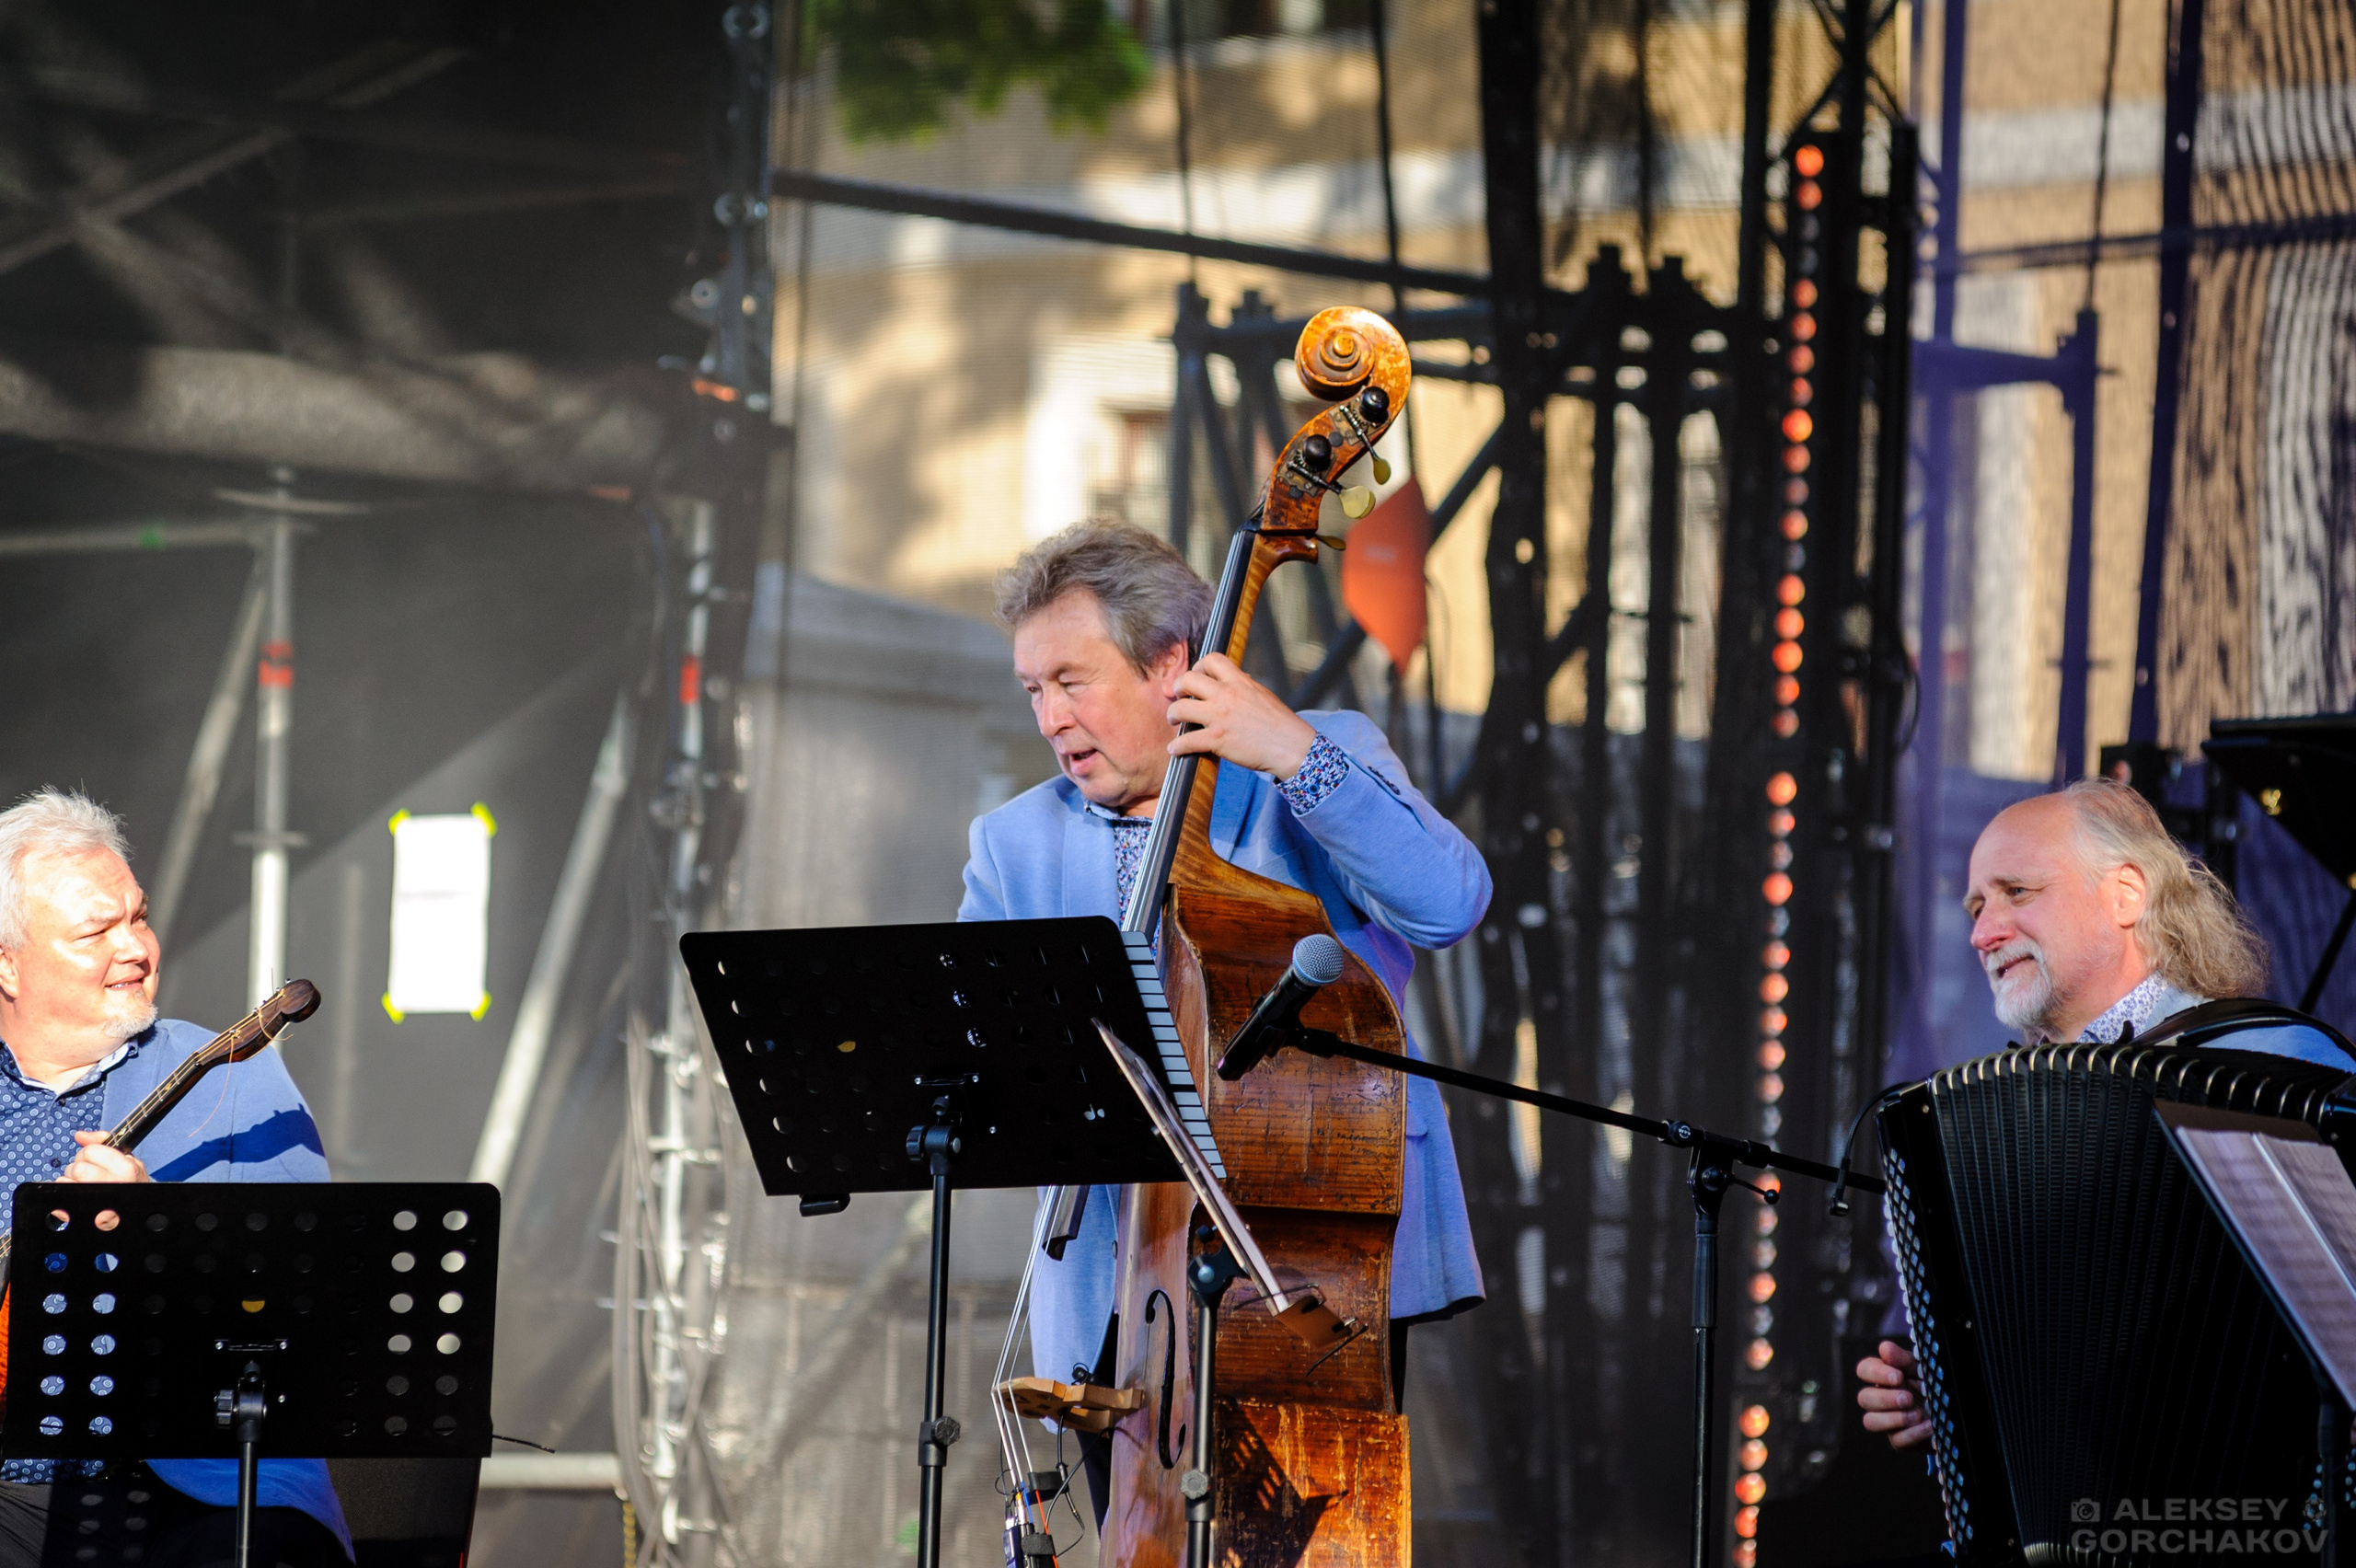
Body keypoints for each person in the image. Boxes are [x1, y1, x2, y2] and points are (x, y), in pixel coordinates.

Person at [958, 520, 1488, 1517]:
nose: (1047, 717)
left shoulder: (1316, 757)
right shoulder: (1012, 845)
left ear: (1171, 667)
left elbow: (1446, 904)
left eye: (1071, 680)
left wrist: (1293, 753)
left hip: (1314, 1263)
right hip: (1117, 1294)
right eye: (1033, 690)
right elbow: (982, 1059)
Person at [1855, 778, 2354, 1449]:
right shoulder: (1990, 1118)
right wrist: (1938, 1391)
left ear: (2126, 894)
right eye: (1975, 906)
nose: (1981, 932)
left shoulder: (2267, 1063)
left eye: (2017, 892)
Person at [0, 789, 350, 1566]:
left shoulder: (235, 1083)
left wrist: (156, 1234)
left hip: (197, 1479)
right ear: (8, 966)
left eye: (139, 917)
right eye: (97, 931)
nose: (136, 949)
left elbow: (309, 1304)